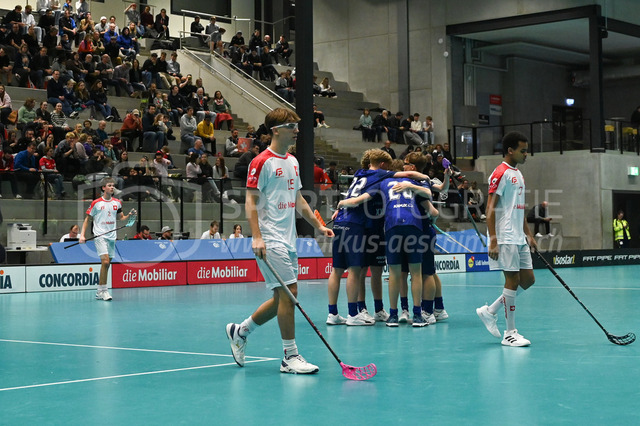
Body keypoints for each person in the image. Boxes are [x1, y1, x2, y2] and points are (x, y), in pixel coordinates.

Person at [225, 107, 334, 375]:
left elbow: (298, 200)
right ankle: (290, 356)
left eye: (296, 126)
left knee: (281, 297)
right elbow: (250, 201)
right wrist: (257, 236)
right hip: (269, 237)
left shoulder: (292, 161)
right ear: (275, 130)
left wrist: (318, 226)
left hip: (288, 239)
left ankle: (240, 331)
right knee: (290, 293)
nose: (296, 130)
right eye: (291, 126)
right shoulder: (261, 162)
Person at [476, 131, 537, 347]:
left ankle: (490, 311)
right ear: (510, 150)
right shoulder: (500, 173)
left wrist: (528, 235)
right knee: (512, 281)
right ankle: (510, 333)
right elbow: (489, 208)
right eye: (523, 150)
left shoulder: (518, 174)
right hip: (505, 235)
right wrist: (493, 240)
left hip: (518, 236)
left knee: (528, 280)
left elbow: (518, 208)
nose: (526, 154)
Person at [80, 177, 136, 301]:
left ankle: (99, 290)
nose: (112, 187)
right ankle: (104, 291)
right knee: (105, 262)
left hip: (112, 236)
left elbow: (121, 218)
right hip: (100, 235)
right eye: (109, 185)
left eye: (113, 185)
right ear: (103, 188)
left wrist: (129, 215)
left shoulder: (117, 203)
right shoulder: (96, 203)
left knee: (107, 264)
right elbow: (87, 219)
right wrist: (82, 235)